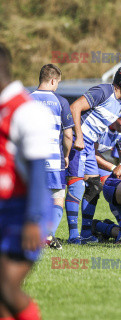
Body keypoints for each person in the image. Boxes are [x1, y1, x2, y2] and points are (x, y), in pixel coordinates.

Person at [66, 65, 121, 244]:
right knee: (76, 186)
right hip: (77, 141)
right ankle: (73, 237)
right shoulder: (103, 91)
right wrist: (78, 137)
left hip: (88, 147)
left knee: (94, 187)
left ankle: (87, 233)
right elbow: (74, 107)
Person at [0, 43, 52, 320]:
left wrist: (33, 219)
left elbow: (37, 171)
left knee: (6, 286)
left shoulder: (25, 110)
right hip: (4, 208)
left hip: (22, 213)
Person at [30, 64, 74, 249]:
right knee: (57, 198)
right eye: (58, 83)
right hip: (53, 159)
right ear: (53, 80)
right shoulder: (61, 101)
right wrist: (66, 155)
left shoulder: (26, 99)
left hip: (31, 158)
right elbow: (68, 135)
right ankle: (49, 235)